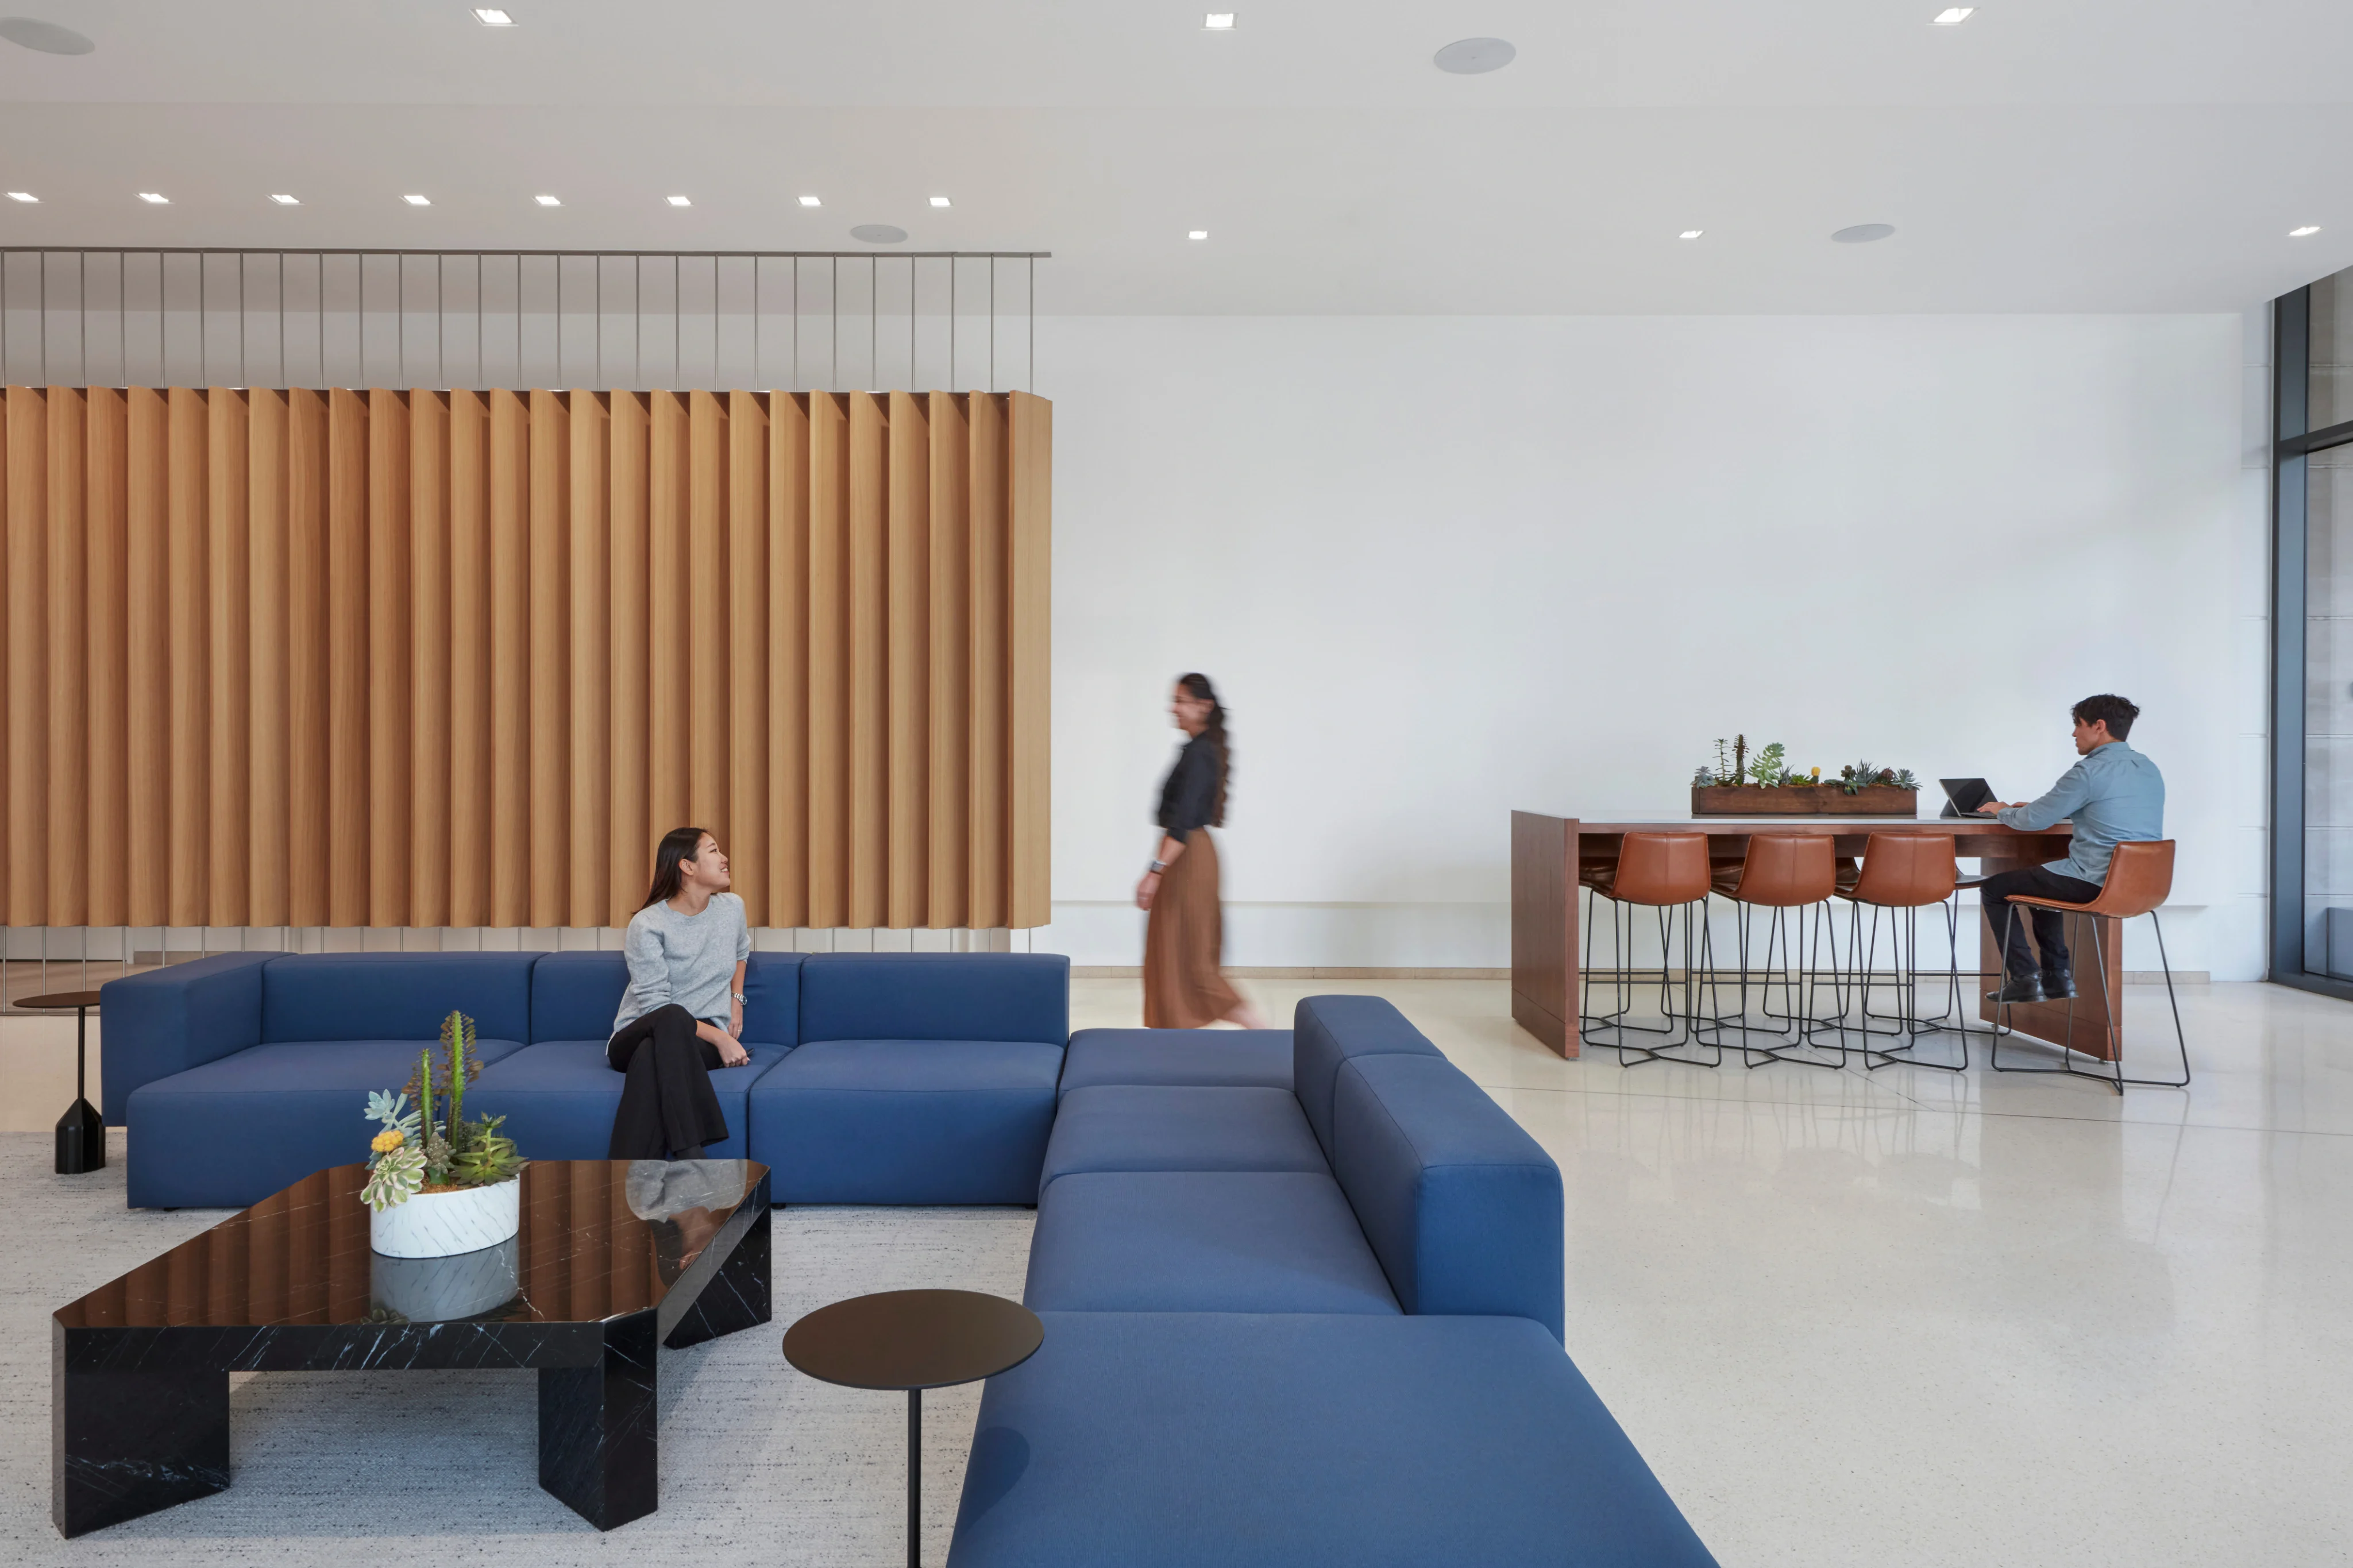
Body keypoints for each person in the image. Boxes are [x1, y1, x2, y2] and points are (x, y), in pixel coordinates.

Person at [1974, 693, 2165, 1003]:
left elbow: (2033, 821)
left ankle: (2025, 978)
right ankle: (2057, 977)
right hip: (2143, 885)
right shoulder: (2148, 768)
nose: (2074, 733)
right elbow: (2109, 809)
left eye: (2078, 725)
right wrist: (2043, 808)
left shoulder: (2088, 771)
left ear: (2099, 726)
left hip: (2094, 882)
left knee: (1996, 888)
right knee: (2043, 880)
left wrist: (2004, 811)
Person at [607, 827, 753, 1160]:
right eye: (714, 851)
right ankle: (693, 1156)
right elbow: (656, 1005)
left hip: (686, 1044)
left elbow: (741, 952)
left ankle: (628, 1184)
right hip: (638, 1032)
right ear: (687, 867)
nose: (724, 858)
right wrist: (722, 1038)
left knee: (650, 1058)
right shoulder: (648, 924)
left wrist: (737, 1001)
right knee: (671, 1017)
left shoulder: (732, 908)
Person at [1136, 673, 1270, 1029]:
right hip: (1187, 856)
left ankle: (1264, 1032)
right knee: (1173, 957)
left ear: (1203, 706)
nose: (1173, 708)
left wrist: (1154, 871)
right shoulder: (1198, 750)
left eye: (1180, 700)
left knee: (1193, 964)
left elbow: (1182, 822)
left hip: (1187, 859)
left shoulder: (1200, 754)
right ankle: (1171, 1050)